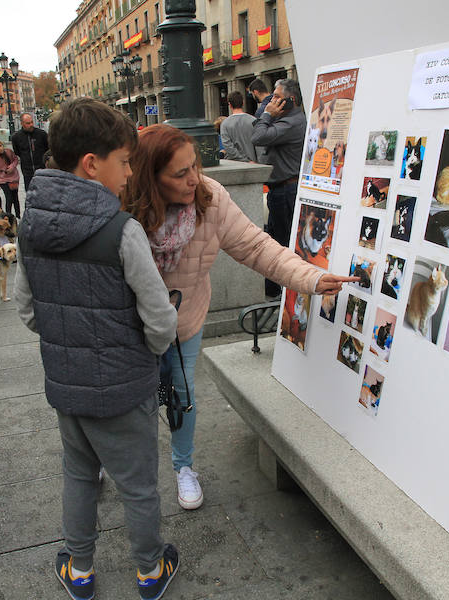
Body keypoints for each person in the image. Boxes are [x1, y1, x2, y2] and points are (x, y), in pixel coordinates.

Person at [122, 124, 354, 510]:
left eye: (195, 166)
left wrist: (311, 277)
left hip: (184, 319)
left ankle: (183, 467)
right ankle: (113, 460)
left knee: (182, 393)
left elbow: (256, 247)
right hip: (131, 326)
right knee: (131, 401)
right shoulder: (122, 208)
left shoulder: (211, 198)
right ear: (150, 177)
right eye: (180, 173)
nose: (194, 179)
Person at [14, 98, 180, 600]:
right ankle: (150, 572)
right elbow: (160, 319)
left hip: (67, 386)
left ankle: (80, 571)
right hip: (125, 387)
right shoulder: (121, 231)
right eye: (125, 162)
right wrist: (146, 354)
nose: (130, 174)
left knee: (79, 475)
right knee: (137, 484)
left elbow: (26, 310)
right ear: (92, 163)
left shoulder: (31, 226)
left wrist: (70, 340)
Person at [251, 78, 307, 298]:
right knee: (274, 242)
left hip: (286, 192)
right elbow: (258, 128)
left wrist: (267, 114)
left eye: (276, 97)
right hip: (280, 190)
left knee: (282, 244)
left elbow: (257, 136)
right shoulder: (283, 120)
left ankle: (286, 294)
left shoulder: (292, 123)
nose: (270, 102)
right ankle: (275, 291)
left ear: (290, 101)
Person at [11, 112, 48, 193]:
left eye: (31, 122)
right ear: (22, 123)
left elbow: (47, 149)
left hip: (41, 169)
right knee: (29, 192)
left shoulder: (41, 134)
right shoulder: (16, 137)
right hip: (27, 171)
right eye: (28, 123)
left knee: (44, 192)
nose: (31, 125)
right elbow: (17, 152)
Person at [220, 91, 257, 162]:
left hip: (234, 164)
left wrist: (245, 160)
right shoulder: (253, 120)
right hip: (254, 162)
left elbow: (228, 146)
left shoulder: (225, 124)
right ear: (243, 102)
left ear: (229, 104)